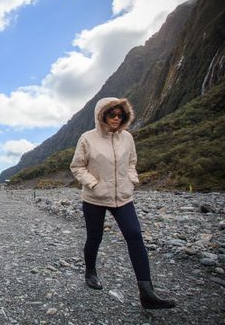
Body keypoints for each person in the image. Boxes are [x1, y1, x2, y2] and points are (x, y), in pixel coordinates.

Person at [70, 97, 175, 309]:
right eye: (112, 114)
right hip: (94, 198)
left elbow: (132, 162)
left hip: (123, 198)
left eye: (120, 115)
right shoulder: (87, 138)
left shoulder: (127, 137)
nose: (117, 118)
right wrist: (93, 184)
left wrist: (132, 180)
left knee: (135, 236)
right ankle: (90, 272)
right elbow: (77, 167)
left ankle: (147, 293)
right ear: (102, 115)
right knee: (95, 237)